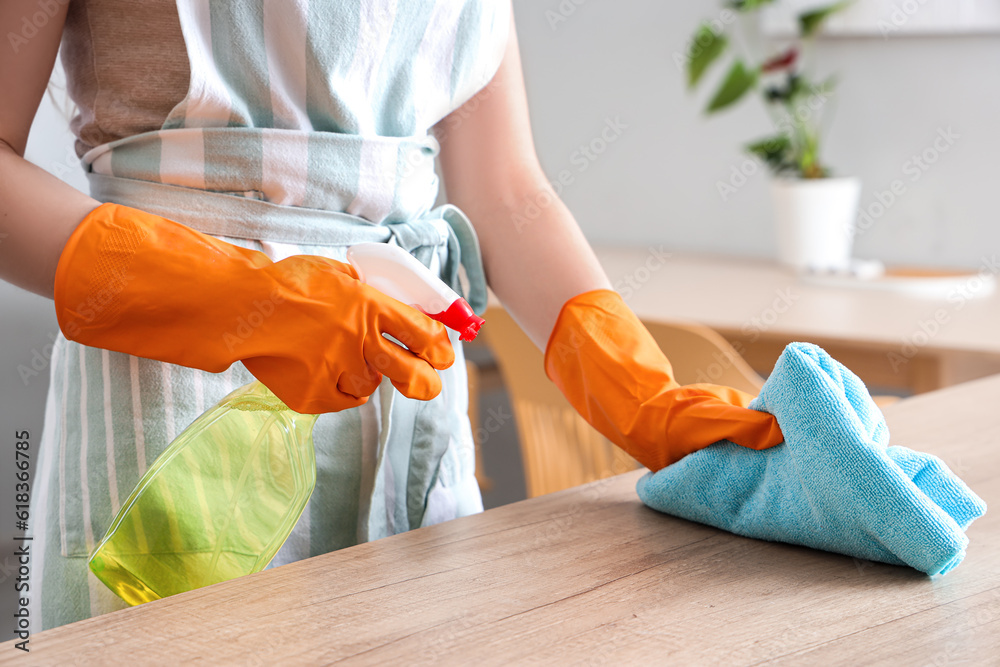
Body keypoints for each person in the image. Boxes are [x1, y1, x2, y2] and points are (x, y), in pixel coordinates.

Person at [0, 0, 784, 631]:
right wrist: (239, 299)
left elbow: (505, 189)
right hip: (174, 403)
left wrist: (637, 388)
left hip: (406, 395)